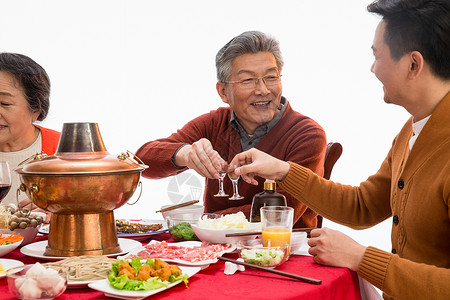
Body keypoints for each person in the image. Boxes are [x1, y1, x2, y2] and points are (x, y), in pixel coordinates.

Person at [230, 1, 450, 299]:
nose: (372, 69)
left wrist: (361, 258)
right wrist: (282, 169)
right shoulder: (413, 131)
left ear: (413, 64)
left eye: (377, 56)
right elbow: (363, 206)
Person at [136, 31, 327, 228]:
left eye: (271, 77)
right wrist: (184, 154)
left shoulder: (307, 135)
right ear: (223, 92)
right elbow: (142, 161)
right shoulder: (214, 123)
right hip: (214, 251)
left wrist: (203, 223)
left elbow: (278, 213)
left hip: (282, 253)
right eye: (248, 80)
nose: (263, 90)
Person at [0, 52, 60, 219]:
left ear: (36, 111)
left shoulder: (63, 150)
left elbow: (94, 210)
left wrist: (63, 210)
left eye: (4, 103)